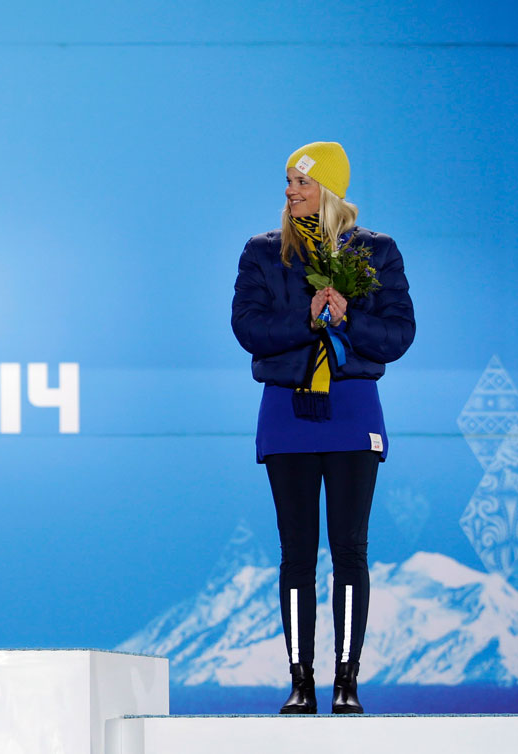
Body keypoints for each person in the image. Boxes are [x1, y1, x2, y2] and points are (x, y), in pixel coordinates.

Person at [231, 143, 414, 714]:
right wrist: (307, 318)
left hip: (353, 411)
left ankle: (346, 680)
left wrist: (348, 319)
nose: (290, 191)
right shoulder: (263, 253)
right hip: (287, 414)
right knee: (296, 554)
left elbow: (398, 335)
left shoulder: (376, 252)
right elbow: (249, 329)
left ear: (329, 190)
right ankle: (300, 680)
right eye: (287, 182)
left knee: (350, 549)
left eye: (301, 183)